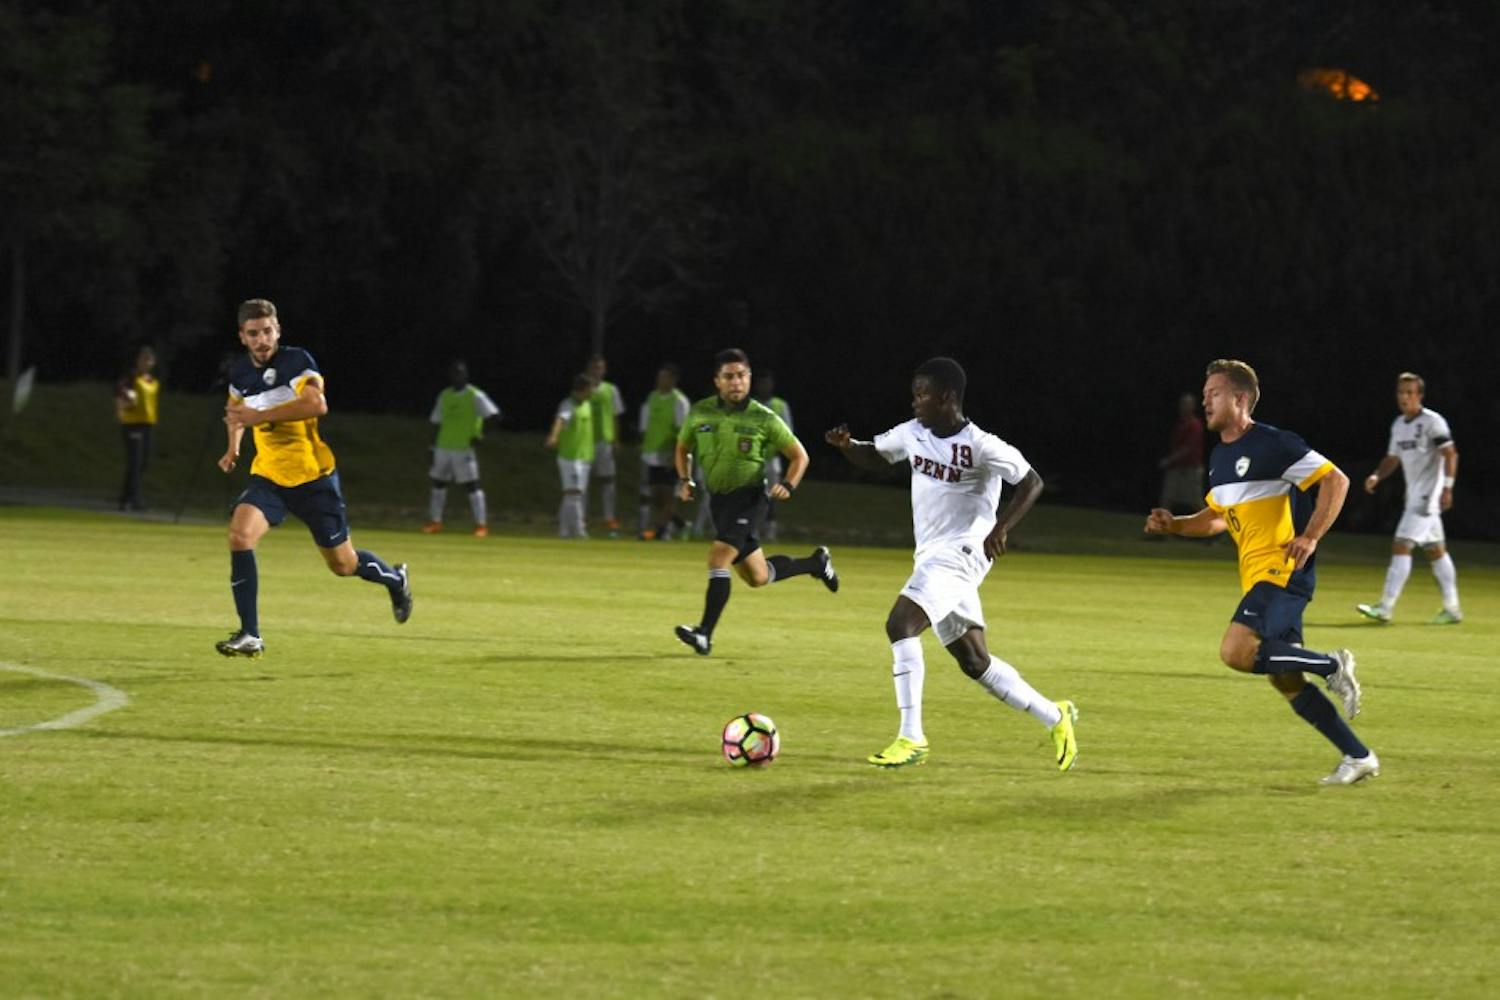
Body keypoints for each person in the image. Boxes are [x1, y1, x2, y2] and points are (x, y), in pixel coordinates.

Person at [826, 357, 1078, 771]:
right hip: (931, 554)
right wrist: (848, 448)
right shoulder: (912, 433)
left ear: (947, 398)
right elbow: (876, 456)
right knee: (975, 663)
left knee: (900, 624)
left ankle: (911, 737)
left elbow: (1032, 482)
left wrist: (1001, 527)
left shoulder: (981, 444)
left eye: (922, 394)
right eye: (914, 394)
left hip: (964, 554)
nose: (915, 402)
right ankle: (1055, 715)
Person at [1145, 359, 1377, 785]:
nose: (1205, 400)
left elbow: (1336, 481)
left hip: (1284, 570)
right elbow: (1216, 519)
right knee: (1285, 679)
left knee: (1236, 651)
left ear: (1240, 399)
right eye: (1205, 393)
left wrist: (1310, 536)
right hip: (1260, 578)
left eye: (1213, 393)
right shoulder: (1219, 457)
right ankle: (1358, 755)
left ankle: (1330, 665)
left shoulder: (1275, 444)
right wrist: (1175, 525)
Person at [215, 299, 412, 658]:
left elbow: (316, 404)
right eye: (253, 333)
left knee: (343, 564)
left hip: (313, 478)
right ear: (242, 336)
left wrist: (259, 418)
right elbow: (235, 412)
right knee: (240, 536)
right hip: (270, 477)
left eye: (268, 331)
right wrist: (234, 448)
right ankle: (250, 634)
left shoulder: (296, 361)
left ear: (278, 330)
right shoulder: (241, 373)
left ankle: (395, 580)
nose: (262, 339)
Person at [673, 348, 838, 656]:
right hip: (718, 502)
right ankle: (816, 563)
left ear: (748, 379)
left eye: (742, 376)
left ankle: (704, 634)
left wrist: (789, 484)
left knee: (717, 559)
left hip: (749, 499)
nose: (736, 382)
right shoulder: (700, 412)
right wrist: (685, 480)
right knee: (758, 577)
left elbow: (800, 456)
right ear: (717, 381)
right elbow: (682, 448)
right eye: (729, 377)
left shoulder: (764, 417)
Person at [1356, 372, 1462, 624]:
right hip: (1414, 495)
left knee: (1401, 544)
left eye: (1410, 392)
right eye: (1401, 392)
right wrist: (1377, 476)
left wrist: (1447, 488)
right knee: (1436, 551)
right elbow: (1393, 458)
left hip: (1428, 496)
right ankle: (1453, 608)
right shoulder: (1399, 425)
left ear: (1419, 395)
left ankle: (1385, 607)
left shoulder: (1432, 422)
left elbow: (1450, 454)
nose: (1404, 397)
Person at [422, 360, 501, 537]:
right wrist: (431, 446)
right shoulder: (445, 395)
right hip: (443, 447)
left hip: (464, 448)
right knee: (438, 484)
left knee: (472, 485)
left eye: (460, 373)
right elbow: (435, 422)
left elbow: (494, 416)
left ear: (466, 375)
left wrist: (481, 435)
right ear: (450, 376)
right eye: (454, 373)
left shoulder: (475, 395)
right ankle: (435, 521)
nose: (457, 376)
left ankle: (481, 525)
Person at [637, 363, 690, 540]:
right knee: (656, 496)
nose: (661, 381)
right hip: (652, 455)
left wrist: (675, 455)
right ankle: (681, 524)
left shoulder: (679, 401)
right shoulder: (652, 398)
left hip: (670, 455)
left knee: (668, 496)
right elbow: (645, 427)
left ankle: (658, 532)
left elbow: (683, 431)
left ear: (673, 380)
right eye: (660, 377)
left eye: (665, 377)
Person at [545, 373, 596, 538]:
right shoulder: (568, 405)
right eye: (591, 387)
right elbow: (560, 420)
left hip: (584, 457)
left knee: (572, 495)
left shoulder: (587, 405)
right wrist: (554, 436)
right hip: (569, 457)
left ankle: (564, 531)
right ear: (583, 389)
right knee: (574, 494)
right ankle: (580, 530)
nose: (593, 390)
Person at [585, 354, 626, 535]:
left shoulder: (611, 390)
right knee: (583, 482)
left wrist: (616, 440)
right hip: (585, 441)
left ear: (604, 370)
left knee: (607, 480)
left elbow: (616, 416)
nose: (597, 371)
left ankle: (609, 518)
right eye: (594, 367)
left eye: (600, 368)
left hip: (604, 442)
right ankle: (582, 518)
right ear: (589, 369)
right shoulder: (583, 388)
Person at [115, 345, 160, 511]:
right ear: (138, 361)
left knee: (143, 462)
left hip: (147, 424)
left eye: (149, 359)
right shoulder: (131, 377)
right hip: (132, 424)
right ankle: (132, 500)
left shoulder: (152, 380)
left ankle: (126, 497)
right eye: (143, 359)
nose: (147, 362)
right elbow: (122, 395)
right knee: (135, 462)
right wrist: (122, 410)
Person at [753, 369, 793, 540]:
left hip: (771, 460)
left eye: (767, 383)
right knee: (752, 495)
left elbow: (788, 432)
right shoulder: (751, 404)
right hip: (752, 460)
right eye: (761, 383)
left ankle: (770, 530)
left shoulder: (780, 405)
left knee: (770, 496)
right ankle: (752, 530)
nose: (764, 387)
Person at [1157, 392, 1205, 514]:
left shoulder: (1195, 425)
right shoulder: (1180, 424)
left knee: (1195, 502)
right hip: (1177, 467)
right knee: (1166, 498)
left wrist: (1169, 460)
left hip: (1191, 469)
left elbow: (1188, 448)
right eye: (1183, 403)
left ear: (1193, 407)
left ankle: (1215, 525)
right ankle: (1161, 528)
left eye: (1187, 404)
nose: (1184, 406)